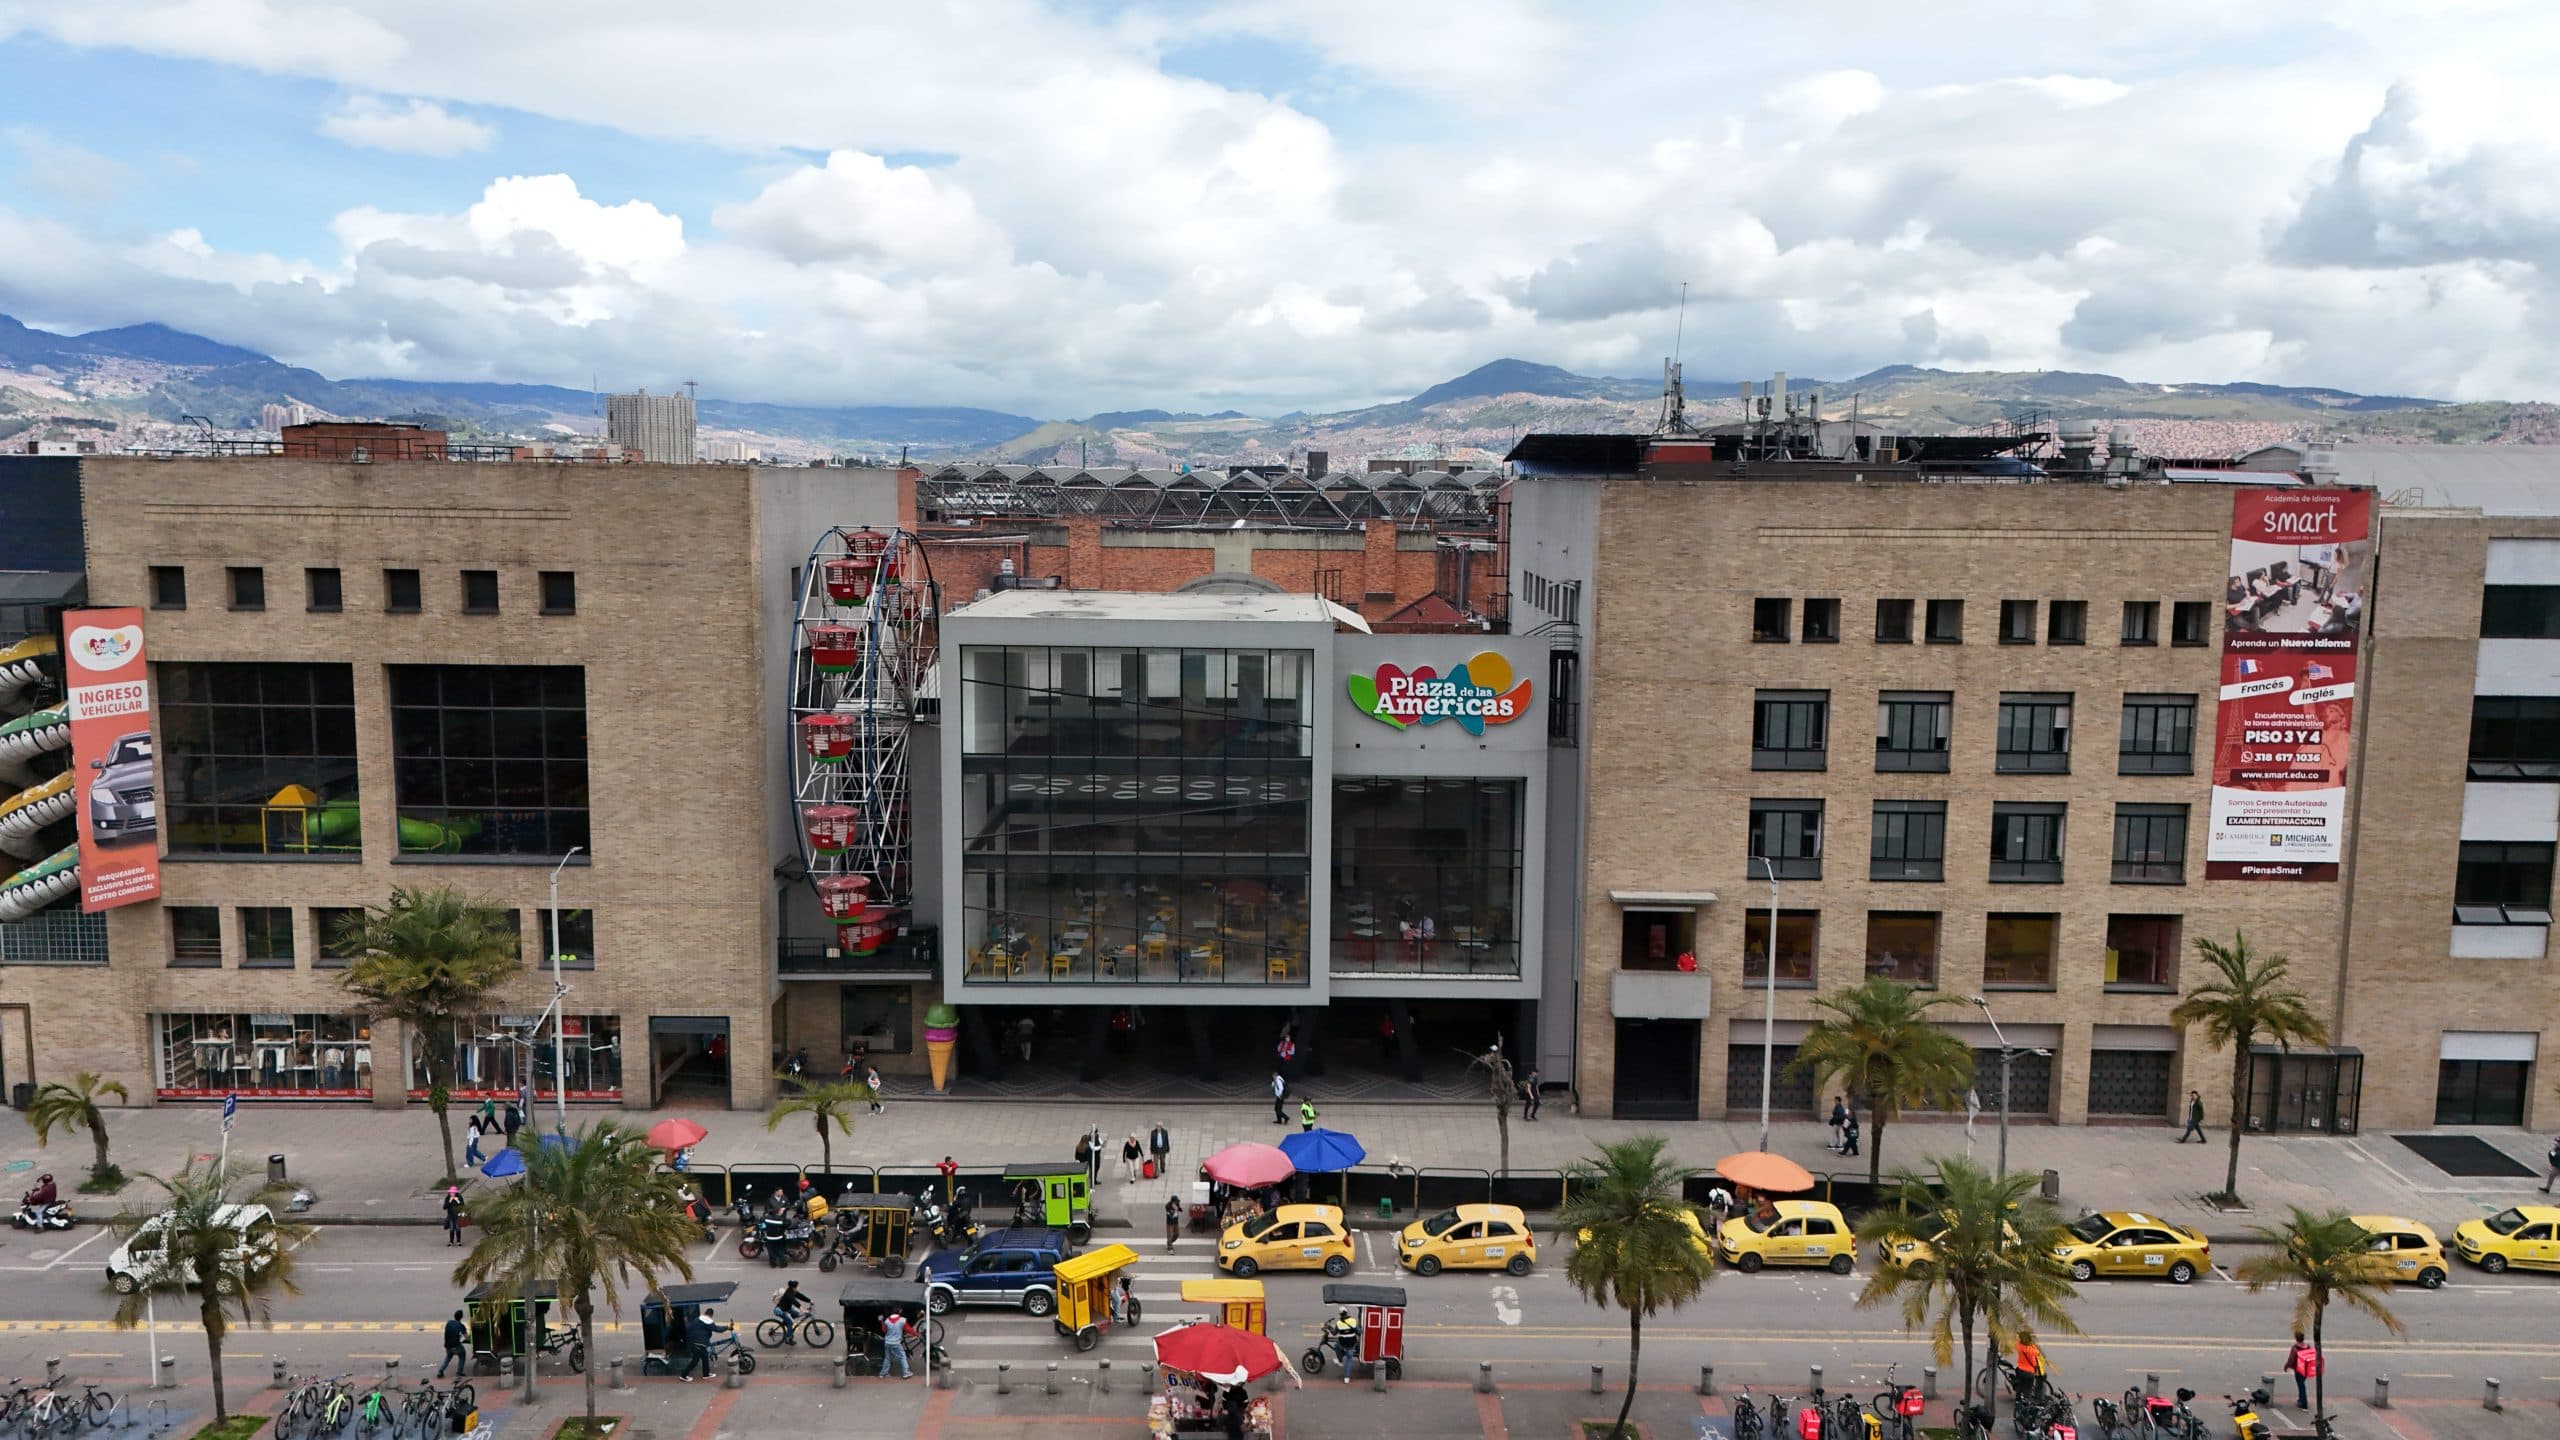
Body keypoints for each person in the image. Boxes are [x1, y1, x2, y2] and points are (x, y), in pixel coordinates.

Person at [1322, 1307, 1360, 1382]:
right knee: (1349, 1359)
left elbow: (1334, 1333)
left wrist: (1329, 1327)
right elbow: (1358, 1332)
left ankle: (1340, 1360)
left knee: (1336, 1346)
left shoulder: (1339, 1323)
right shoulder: (1353, 1321)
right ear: (1347, 1313)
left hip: (1342, 1344)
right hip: (1352, 1344)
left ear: (1340, 1314)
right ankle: (1346, 1378)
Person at [2284, 1331, 2318, 1409]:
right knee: (2301, 1384)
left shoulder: (2295, 1348)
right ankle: (2300, 1399)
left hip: (2298, 1369)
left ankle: (2304, 1403)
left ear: (2296, 1338)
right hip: (2306, 1369)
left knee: (2301, 1386)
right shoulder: (2308, 1346)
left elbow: (2291, 1359)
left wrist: (2286, 1366)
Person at [2014, 1330, 2049, 1400]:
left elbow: (2017, 1342)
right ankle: (2026, 1401)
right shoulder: (2031, 1350)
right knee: (2028, 1390)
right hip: (2029, 1372)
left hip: (2020, 1370)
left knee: (2020, 1386)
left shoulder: (2019, 1346)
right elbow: (2038, 1353)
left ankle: (2017, 1400)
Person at [878, 1310, 912, 1378]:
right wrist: (916, 1334)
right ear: (900, 1311)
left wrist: (882, 1321)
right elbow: (908, 1329)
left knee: (887, 1358)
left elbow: (884, 1330)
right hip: (896, 1343)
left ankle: (883, 1373)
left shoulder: (887, 1320)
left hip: (887, 1342)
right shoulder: (902, 1320)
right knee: (902, 1356)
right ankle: (906, 1373)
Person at [437, 1309, 469, 1378]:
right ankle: (459, 1373)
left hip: (448, 1346)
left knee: (448, 1357)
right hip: (456, 1346)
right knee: (462, 1356)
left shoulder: (449, 1323)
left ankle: (440, 1371)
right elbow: (467, 1337)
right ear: (461, 1317)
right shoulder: (461, 1326)